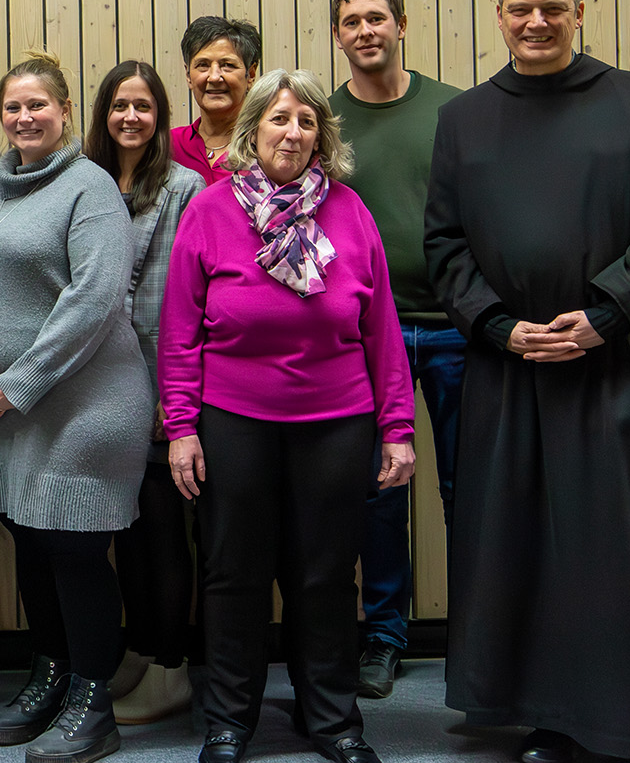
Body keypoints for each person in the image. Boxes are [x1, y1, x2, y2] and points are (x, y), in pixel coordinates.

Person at [425, 0, 630, 763]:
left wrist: (606, 312)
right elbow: (444, 241)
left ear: (578, 13)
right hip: (510, 367)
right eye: (520, 9)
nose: (535, 23)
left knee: (611, 544)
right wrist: (496, 325)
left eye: (552, 10)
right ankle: (540, 708)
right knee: (516, 540)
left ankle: (623, 713)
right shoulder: (463, 120)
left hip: (614, 361)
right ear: (498, 16)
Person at [160, 70, 415, 763]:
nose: (292, 132)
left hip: (338, 419)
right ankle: (230, 721)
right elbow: (180, 331)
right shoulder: (211, 210)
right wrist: (181, 426)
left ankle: (332, 720)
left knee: (326, 574)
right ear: (253, 130)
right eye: (279, 118)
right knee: (233, 572)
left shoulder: (351, 211)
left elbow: (381, 329)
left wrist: (398, 426)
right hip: (233, 418)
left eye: (306, 121)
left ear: (322, 137)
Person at [0, 51, 151, 763]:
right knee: (30, 540)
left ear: (63, 112)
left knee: (74, 545)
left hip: (86, 403)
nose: (25, 117)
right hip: (2, 408)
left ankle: (95, 699)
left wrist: (18, 381)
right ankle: (51, 671)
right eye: (13, 106)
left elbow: (93, 300)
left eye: (38, 105)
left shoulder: (90, 187)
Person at [325, 0, 464, 701]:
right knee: (380, 494)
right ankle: (384, 636)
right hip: (363, 337)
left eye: (377, 17)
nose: (365, 30)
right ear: (339, 34)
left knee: (466, 487)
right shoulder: (324, 120)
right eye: (351, 20)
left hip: (456, 330)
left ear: (402, 24)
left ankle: (478, 638)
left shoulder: (454, 110)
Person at [84, 60, 205, 725]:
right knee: (123, 527)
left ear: (161, 116)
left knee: (161, 529)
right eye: (119, 105)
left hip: (159, 380)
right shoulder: (87, 183)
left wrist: (173, 393)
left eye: (144, 106)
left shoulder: (184, 187)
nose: (131, 116)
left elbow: (184, 297)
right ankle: (139, 643)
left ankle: (170, 665)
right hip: (99, 385)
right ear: (103, 114)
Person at [168, 18, 261, 186]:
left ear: (251, 74)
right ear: (188, 75)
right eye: (203, 65)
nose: (214, 77)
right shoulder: (168, 146)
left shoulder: (267, 145)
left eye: (227, 65)